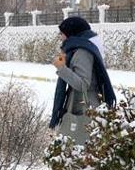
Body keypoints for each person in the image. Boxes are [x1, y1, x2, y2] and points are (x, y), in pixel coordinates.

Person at [49, 16, 116, 145]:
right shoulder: (79, 48)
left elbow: (84, 84)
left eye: (62, 34)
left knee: (77, 150)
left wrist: (62, 69)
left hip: (84, 108)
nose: (61, 38)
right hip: (81, 105)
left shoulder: (82, 52)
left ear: (72, 34)